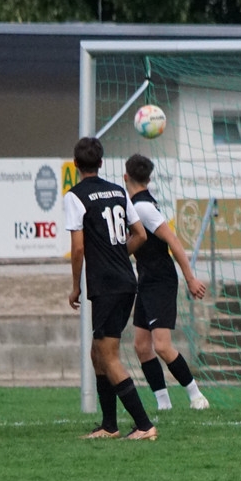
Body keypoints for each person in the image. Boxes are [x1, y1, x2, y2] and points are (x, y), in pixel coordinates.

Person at [66, 137, 157, 440]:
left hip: (106, 285)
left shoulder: (75, 196)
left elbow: (78, 248)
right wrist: (119, 255)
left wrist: (75, 287)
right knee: (98, 353)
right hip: (125, 281)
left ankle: (144, 425)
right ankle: (109, 425)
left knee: (109, 356)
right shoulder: (118, 191)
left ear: (76, 164)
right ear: (101, 163)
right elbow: (140, 234)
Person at [122, 153, 210, 411]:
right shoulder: (136, 204)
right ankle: (164, 404)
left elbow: (174, 241)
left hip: (160, 280)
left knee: (161, 345)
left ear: (125, 177)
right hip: (146, 280)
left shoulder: (143, 207)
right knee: (141, 346)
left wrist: (190, 278)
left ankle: (197, 396)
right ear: (149, 179)